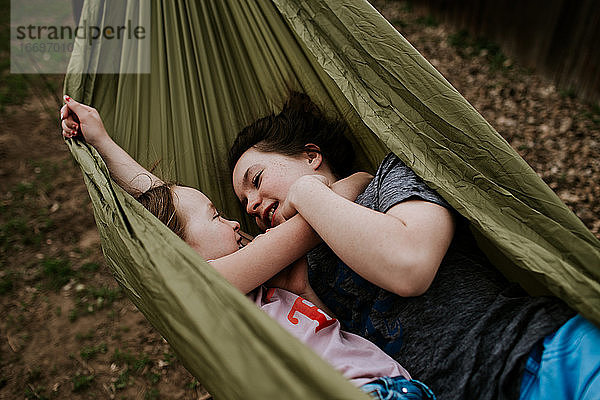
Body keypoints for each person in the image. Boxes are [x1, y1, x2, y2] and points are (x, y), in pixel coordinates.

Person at [59, 95, 436, 400]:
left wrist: (103, 142)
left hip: (392, 382)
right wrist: (346, 183)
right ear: (180, 254)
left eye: (255, 181)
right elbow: (166, 215)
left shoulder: (263, 279)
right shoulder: (214, 280)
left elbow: (168, 207)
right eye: (217, 216)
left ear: (311, 154)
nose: (242, 216)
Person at [228, 92, 600, 400]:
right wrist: (305, 290)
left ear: (311, 156)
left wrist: (305, 192)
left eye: (256, 180)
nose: (253, 205)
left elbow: (411, 266)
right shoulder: (301, 265)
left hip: (540, 360)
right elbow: (354, 356)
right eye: (245, 204)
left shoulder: (393, 176)